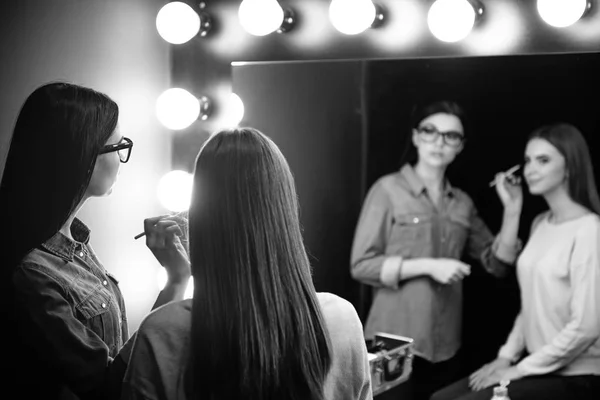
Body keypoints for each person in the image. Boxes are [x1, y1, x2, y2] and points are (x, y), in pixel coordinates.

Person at [121, 128, 373, 400]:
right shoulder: (342, 318)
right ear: (285, 211)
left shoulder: (163, 331)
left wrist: (176, 281)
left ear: (201, 217)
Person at [0, 82, 191, 400]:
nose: (121, 159)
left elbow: (123, 366)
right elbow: (111, 387)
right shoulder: (34, 274)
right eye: (119, 147)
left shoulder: (74, 246)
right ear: (83, 155)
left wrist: (176, 278)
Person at [350, 100, 523, 400]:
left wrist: (512, 210)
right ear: (416, 137)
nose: (439, 142)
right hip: (391, 341)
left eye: (450, 136)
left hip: (446, 345)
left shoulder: (462, 203)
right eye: (430, 131)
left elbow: (498, 265)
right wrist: (429, 265)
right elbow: (361, 265)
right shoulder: (387, 190)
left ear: (460, 146)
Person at [431, 123, 600, 400]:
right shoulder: (540, 224)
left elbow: (587, 327)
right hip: (537, 366)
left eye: (543, 160)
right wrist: (505, 358)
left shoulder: (590, 229)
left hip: (577, 375)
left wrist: (519, 370)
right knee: (440, 398)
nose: (530, 169)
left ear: (570, 167)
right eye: (528, 160)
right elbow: (531, 305)